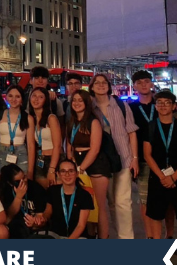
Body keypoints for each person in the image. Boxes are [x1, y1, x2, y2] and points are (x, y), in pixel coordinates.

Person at [91, 73, 137, 239]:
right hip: (102, 161)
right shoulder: (90, 106)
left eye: (104, 83)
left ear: (109, 86)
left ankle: (127, 239)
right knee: (110, 203)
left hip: (123, 158)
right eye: (97, 83)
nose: (101, 85)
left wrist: (135, 159)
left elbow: (131, 133)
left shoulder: (121, 105)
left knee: (123, 202)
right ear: (92, 86)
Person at [67, 89, 110, 239]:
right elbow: (69, 145)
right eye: (74, 100)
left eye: (80, 100)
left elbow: (95, 148)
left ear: (87, 103)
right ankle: (91, 237)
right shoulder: (72, 122)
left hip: (95, 165)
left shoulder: (94, 121)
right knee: (85, 205)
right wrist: (71, 164)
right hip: (77, 164)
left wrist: (81, 168)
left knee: (99, 206)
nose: (77, 103)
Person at [129, 70, 165, 239]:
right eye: (139, 82)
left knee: (166, 200)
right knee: (145, 200)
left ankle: (169, 236)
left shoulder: (161, 105)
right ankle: (150, 237)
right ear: (134, 86)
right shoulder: (130, 108)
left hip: (163, 159)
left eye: (146, 81)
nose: (143, 84)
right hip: (142, 160)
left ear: (152, 83)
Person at [143, 90, 177, 239]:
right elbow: (147, 154)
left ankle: (172, 238)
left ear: (173, 106)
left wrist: (173, 177)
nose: (163, 105)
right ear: (156, 106)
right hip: (157, 176)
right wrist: (162, 177)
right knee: (156, 213)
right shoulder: (150, 127)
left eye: (167, 103)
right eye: (160, 102)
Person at [0, 85, 36, 178]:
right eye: (10, 96)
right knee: (1, 185)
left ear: (22, 100)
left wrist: (30, 171)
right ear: (6, 97)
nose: (14, 99)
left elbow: (31, 145)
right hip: (1, 152)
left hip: (20, 153)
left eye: (17, 96)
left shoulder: (28, 118)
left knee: (21, 184)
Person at [43, 159, 95, 239]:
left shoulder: (84, 195)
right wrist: (41, 219)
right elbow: (48, 212)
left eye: (71, 171)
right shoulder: (52, 190)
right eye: (63, 171)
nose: (67, 174)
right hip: (55, 236)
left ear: (77, 174)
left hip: (77, 237)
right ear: (58, 174)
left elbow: (81, 225)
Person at [0, 163, 48, 238]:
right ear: (10, 183)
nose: (24, 182)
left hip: (34, 229)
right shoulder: (6, 191)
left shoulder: (36, 188)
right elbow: (8, 218)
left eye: (24, 177)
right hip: (15, 228)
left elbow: (41, 216)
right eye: (19, 181)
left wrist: (35, 222)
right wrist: (18, 197)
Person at [29, 87, 62, 188]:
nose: (36, 99)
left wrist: (52, 169)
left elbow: (57, 146)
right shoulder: (31, 119)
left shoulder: (51, 118)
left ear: (46, 100)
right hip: (39, 160)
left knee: (53, 195)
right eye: (34, 96)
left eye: (41, 97)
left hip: (52, 160)